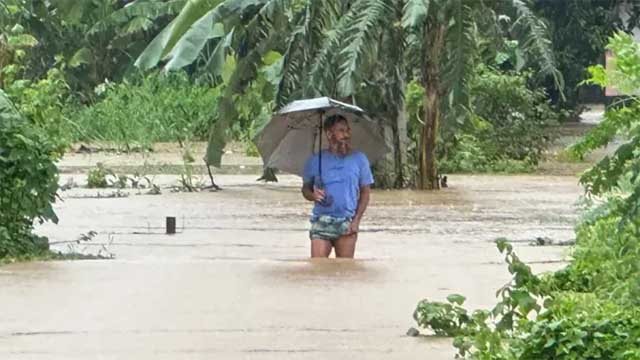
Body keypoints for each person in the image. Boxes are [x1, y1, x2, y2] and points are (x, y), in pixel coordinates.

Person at [301, 114, 374, 258]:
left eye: (347, 130)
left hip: (347, 222)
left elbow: (365, 192)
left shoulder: (360, 159)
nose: (346, 134)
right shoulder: (316, 160)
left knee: (345, 271)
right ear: (329, 134)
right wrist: (313, 195)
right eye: (341, 131)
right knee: (318, 268)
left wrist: (356, 220)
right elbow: (305, 189)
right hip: (321, 221)